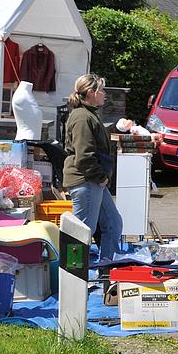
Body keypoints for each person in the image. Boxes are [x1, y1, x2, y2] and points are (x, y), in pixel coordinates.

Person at [62, 74, 123, 261]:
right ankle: (74, 278)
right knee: (80, 233)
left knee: (113, 223)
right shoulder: (81, 117)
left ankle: (105, 266)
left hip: (93, 181)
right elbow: (84, 156)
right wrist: (101, 177)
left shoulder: (88, 114)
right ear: (91, 93)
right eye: (101, 90)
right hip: (86, 180)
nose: (104, 94)